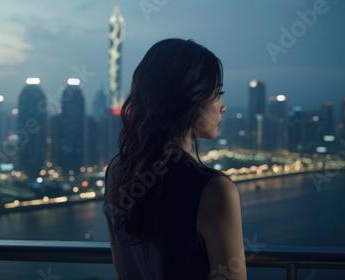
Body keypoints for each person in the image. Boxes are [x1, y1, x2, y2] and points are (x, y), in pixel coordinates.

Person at [103, 38, 246, 280]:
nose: (223, 106)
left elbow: (121, 271)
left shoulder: (118, 169)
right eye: (217, 94)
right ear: (189, 100)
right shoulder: (215, 191)